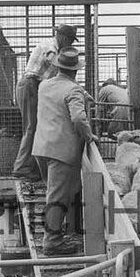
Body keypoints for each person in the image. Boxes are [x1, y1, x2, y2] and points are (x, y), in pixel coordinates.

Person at [32, 46, 94, 256]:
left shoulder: (44, 86)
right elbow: (77, 118)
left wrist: (83, 93)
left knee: (55, 193)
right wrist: (89, 136)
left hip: (42, 147)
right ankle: (52, 242)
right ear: (76, 71)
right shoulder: (72, 90)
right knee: (57, 197)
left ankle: (57, 233)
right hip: (62, 151)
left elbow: (62, 91)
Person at [12, 22, 77, 181]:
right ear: (61, 37)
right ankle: (21, 168)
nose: (70, 45)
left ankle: (29, 167)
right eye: (69, 41)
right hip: (29, 85)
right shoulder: (51, 47)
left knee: (36, 127)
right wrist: (66, 63)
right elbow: (51, 59)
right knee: (31, 127)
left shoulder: (56, 49)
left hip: (35, 87)